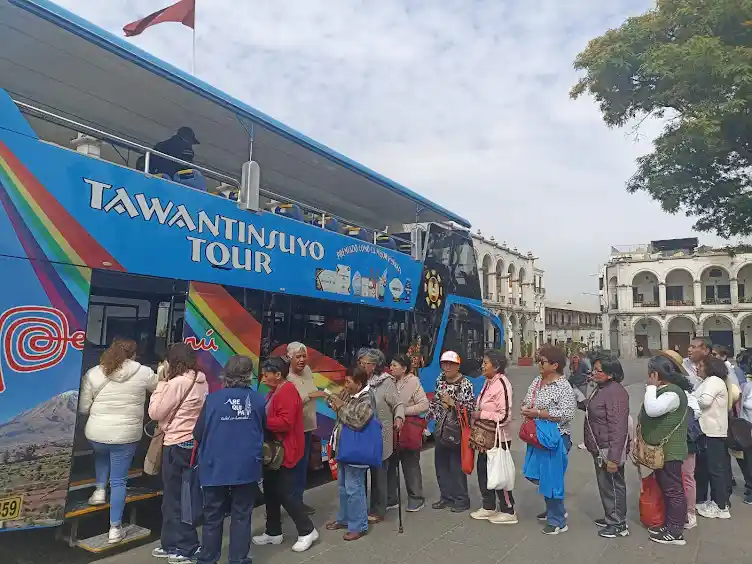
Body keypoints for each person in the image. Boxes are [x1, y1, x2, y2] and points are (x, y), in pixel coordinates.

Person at [78, 339, 158, 544]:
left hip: (97, 433)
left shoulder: (93, 373)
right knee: (119, 481)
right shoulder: (144, 372)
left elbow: (84, 408)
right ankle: (115, 529)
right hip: (126, 435)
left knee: (102, 453)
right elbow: (158, 388)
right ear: (134, 354)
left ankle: (99, 491)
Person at [193, 356, 266, 564]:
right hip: (246, 466)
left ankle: (208, 559)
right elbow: (264, 429)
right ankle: (238, 559)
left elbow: (198, 433)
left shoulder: (212, 400)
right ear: (249, 375)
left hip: (215, 466)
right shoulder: (258, 400)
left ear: (225, 374)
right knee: (242, 515)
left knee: (212, 515)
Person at [148, 343, 209, 563]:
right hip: (192, 444)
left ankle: (185, 547)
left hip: (175, 443)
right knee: (183, 495)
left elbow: (155, 412)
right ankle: (170, 543)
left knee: (175, 498)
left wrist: (161, 383)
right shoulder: (201, 381)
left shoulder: (176, 383)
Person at [252, 357, 318, 553]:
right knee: (271, 492)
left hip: (285, 450)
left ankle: (307, 530)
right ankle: (273, 532)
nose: (263, 378)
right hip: (274, 451)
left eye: (266, 374)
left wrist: (262, 420)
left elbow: (285, 422)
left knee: (286, 493)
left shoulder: (287, 391)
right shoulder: (275, 391)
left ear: (278, 374)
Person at [521, 345, 577, 535]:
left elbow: (568, 414)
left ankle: (557, 520)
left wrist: (540, 413)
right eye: (538, 361)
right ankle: (553, 509)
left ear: (555, 365)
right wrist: (526, 408)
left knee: (552, 479)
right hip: (538, 435)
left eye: (543, 361)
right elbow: (528, 400)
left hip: (556, 436)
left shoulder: (563, 386)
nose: (539, 364)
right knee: (539, 475)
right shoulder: (537, 381)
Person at [639, 355, 691, 546]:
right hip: (661, 450)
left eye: (650, 372)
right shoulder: (666, 390)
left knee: (673, 490)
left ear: (656, 374)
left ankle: (675, 531)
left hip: (670, 450)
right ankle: (670, 525)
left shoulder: (673, 393)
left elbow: (652, 409)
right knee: (667, 489)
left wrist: (651, 387)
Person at [580, 355, 630, 538]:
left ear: (611, 374)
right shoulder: (601, 388)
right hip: (599, 445)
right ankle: (611, 515)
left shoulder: (615, 392)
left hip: (609, 448)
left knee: (613, 485)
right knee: (606, 485)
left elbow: (619, 427)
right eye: (593, 369)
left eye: (598, 370)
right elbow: (593, 407)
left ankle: (618, 523)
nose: (593, 373)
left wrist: (614, 458)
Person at [325, 366, 376, 541]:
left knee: (354, 488)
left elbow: (358, 421)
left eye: (348, 382)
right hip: (344, 447)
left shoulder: (367, 398)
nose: (345, 385)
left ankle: (359, 525)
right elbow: (333, 402)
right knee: (343, 487)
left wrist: (341, 407)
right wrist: (334, 399)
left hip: (357, 450)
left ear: (359, 384)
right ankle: (345, 519)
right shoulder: (351, 393)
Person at [656, 349, 702, 530]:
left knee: (686, 476)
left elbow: (696, 412)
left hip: (685, 440)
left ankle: (689, 513)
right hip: (669, 441)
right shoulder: (664, 389)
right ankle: (674, 513)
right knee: (673, 479)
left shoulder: (681, 391)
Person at [356, 348, 404, 523]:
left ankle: (378, 509)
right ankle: (361, 507)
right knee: (361, 473)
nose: (361, 366)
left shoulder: (386, 382)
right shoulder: (359, 381)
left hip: (381, 434)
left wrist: (399, 418)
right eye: (360, 362)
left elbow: (398, 404)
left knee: (379, 473)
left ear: (375, 365)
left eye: (365, 363)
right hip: (362, 434)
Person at [470, 349, 517, 524]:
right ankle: (488, 506)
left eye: (486, 363)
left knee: (500, 472)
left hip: (499, 437)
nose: (482, 366)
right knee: (483, 470)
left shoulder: (503, 384)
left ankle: (508, 509)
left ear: (496, 366)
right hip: (485, 436)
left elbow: (505, 417)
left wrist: (481, 414)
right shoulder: (488, 382)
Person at [427, 350, 475, 512]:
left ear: (458, 366)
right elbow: (435, 402)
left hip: (456, 430)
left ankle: (461, 499)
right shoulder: (440, 380)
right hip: (440, 428)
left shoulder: (465, 384)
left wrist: (453, 403)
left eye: (451, 364)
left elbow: (470, 409)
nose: (447, 367)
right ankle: (446, 497)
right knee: (441, 465)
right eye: (444, 364)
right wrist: (428, 420)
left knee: (456, 466)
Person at [286, 342, 328, 515]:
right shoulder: (286, 375)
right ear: (290, 358)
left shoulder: (308, 371)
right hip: (293, 429)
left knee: (303, 467)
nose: (302, 360)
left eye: (304, 356)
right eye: (298, 357)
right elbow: (289, 401)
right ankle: (287, 503)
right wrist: (310, 396)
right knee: (292, 468)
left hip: (308, 426)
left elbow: (311, 390)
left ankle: (297, 502)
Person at [387, 354, 429, 513]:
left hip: (408, 429)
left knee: (410, 464)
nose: (391, 368)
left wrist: (403, 411)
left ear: (404, 368)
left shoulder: (413, 381)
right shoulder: (389, 382)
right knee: (390, 465)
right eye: (391, 365)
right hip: (391, 430)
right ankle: (391, 498)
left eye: (395, 365)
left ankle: (416, 498)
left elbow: (424, 404)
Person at [693, 355, 731, 520]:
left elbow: (705, 401)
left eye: (701, 365)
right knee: (706, 468)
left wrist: (691, 399)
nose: (698, 368)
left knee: (716, 470)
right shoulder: (707, 381)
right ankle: (710, 501)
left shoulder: (714, 380)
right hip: (707, 432)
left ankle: (721, 506)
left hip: (713, 432)